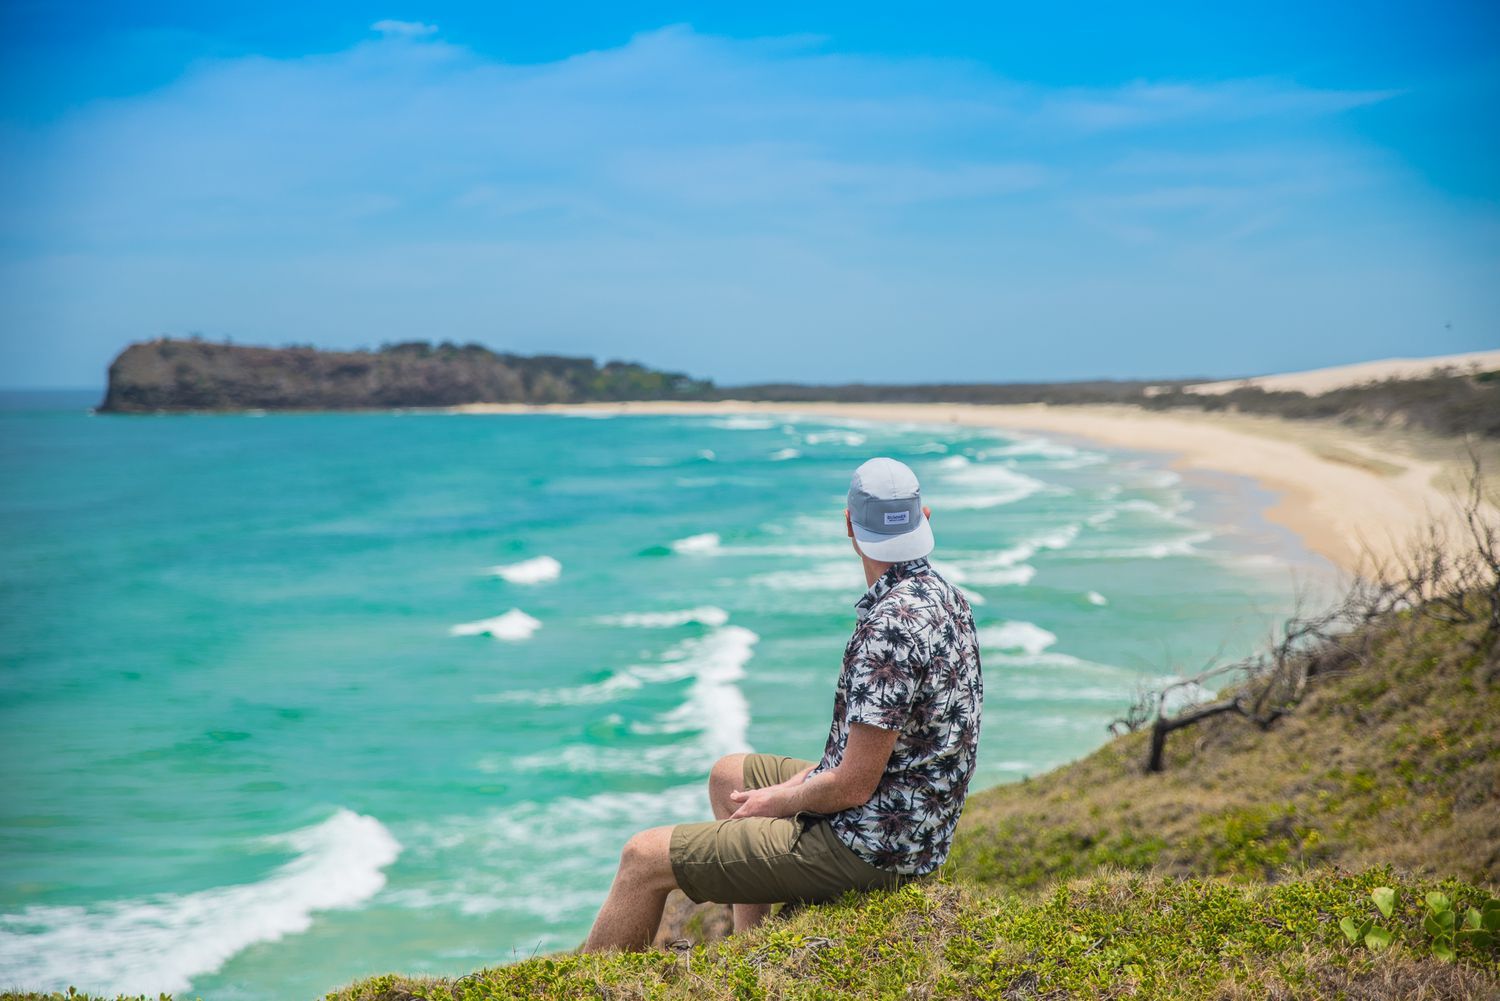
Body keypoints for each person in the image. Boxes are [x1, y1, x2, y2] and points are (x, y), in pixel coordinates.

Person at [582, 456, 983, 952]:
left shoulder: (889, 627)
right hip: (916, 823)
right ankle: (753, 950)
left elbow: (853, 785)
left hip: (875, 848)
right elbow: (879, 757)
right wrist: (789, 787)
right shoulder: (946, 597)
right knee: (730, 776)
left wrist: (778, 801)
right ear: (925, 519)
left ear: (849, 528)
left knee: (642, 859)